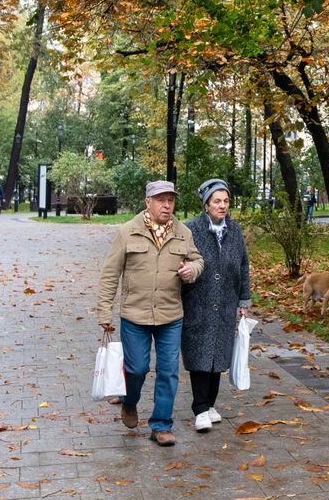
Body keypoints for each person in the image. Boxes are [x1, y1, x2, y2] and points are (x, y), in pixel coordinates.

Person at [97, 180, 203, 446]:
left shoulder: (183, 232)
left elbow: (197, 259)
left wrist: (193, 270)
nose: (167, 205)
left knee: (168, 371)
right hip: (135, 314)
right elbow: (111, 273)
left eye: (170, 200)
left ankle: (161, 425)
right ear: (148, 202)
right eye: (161, 200)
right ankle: (129, 401)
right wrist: (104, 311)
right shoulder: (128, 232)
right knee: (137, 369)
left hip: (170, 314)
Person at [182, 178, 251, 433]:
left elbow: (243, 265)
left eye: (226, 201)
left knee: (218, 356)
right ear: (206, 205)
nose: (222, 206)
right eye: (217, 201)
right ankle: (200, 408)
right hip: (197, 302)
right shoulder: (191, 230)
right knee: (200, 355)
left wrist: (244, 300)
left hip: (225, 303)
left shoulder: (235, 231)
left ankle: (210, 405)